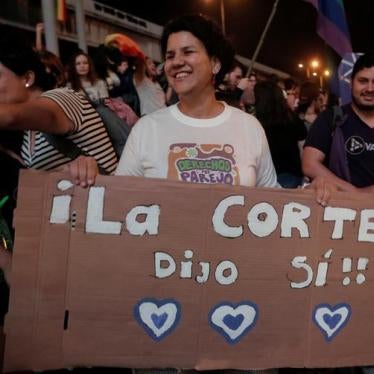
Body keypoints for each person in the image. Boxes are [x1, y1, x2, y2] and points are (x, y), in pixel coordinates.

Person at [302, 51, 374, 193]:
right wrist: (355, 193)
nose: (370, 89)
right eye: (363, 81)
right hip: (341, 209)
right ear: (351, 82)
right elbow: (309, 163)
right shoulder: (332, 117)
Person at [255, 80, 307, 188]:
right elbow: (303, 146)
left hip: (263, 177)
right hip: (291, 174)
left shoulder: (255, 122)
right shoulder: (292, 118)